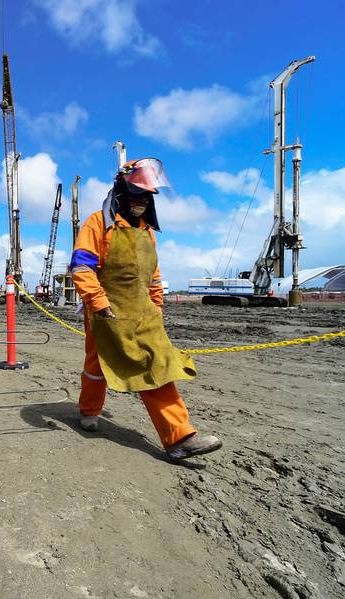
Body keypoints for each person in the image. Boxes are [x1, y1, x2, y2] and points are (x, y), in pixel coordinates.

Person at [70, 158, 222, 460]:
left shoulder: (146, 231)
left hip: (142, 314)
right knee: (97, 365)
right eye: (137, 195)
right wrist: (99, 304)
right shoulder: (99, 223)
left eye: (146, 197)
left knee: (155, 365)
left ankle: (180, 438)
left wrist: (157, 307)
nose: (141, 202)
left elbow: (152, 274)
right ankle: (89, 409)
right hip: (105, 314)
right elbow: (82, 267)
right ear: (122, 192)